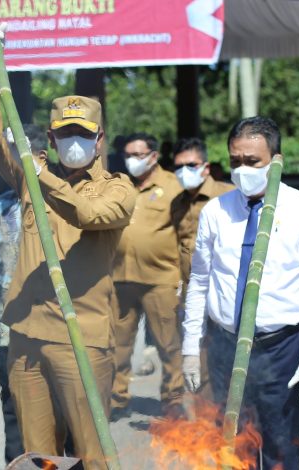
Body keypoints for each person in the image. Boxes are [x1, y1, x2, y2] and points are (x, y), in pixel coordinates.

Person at [0, 23, 136, 469]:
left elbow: (90, 216)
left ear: (100, 138)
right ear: (50, 138)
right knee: (38, 457)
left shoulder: (117, 188)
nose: (74, 142)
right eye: (64, 134)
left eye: (83, 134)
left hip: (81, 339)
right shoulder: (30, 172)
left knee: (92, 454)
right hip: (26, 336)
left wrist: (38, 173)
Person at [182, 117, 299, 470]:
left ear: (276, 160)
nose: (242, 170)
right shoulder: (215, 212)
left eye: (252, 162)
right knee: (234, 446)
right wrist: (191, 348)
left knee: (281, 447)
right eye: (235, 161)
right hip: (226, 347)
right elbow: (200, 283)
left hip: (281, 348)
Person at [0, 123, 48, 464]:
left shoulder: (60, 204)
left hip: (53, 330)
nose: (8, 160)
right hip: (9, 331)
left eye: (15, 153)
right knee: (13, 413)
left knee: (60, 419)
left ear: (40, 156)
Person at [109, 132, 185, 420]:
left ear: (153, 156)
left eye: (139, 155)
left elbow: (185, 230)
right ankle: (116, 399)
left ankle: (173, 400)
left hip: (161, 278)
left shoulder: (174, 186)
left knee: (169, 344)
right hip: (121, 276)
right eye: (128, 155)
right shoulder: (119, 184)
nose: (132, 161)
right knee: (118, 345)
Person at [169, 137, 234, 400]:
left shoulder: (228, 195)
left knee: (230, 359)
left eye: (191, 164)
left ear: (205, 167)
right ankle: (207, 420)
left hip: (224, 290)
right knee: (198, 357)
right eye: (179, 166)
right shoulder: (177, 203)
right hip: (193, 291)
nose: (185, 171)